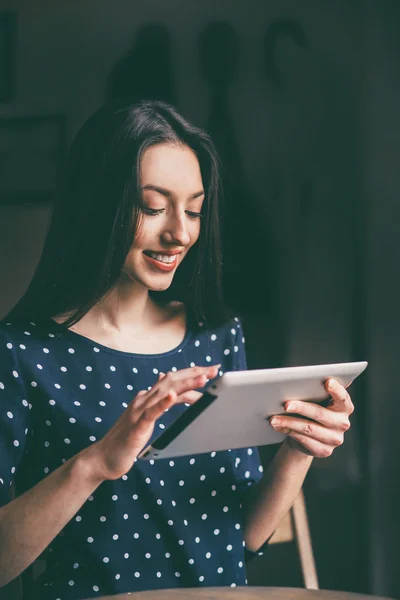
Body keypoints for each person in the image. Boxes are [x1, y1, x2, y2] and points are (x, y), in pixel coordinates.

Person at [0, 101, 354, 600]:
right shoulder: (21, 352)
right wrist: (97, 462)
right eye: (152, 207)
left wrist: (298, 450)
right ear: (97, 203)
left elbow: (246, 537)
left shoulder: (217, 336)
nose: (181, 233)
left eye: (193, 210)